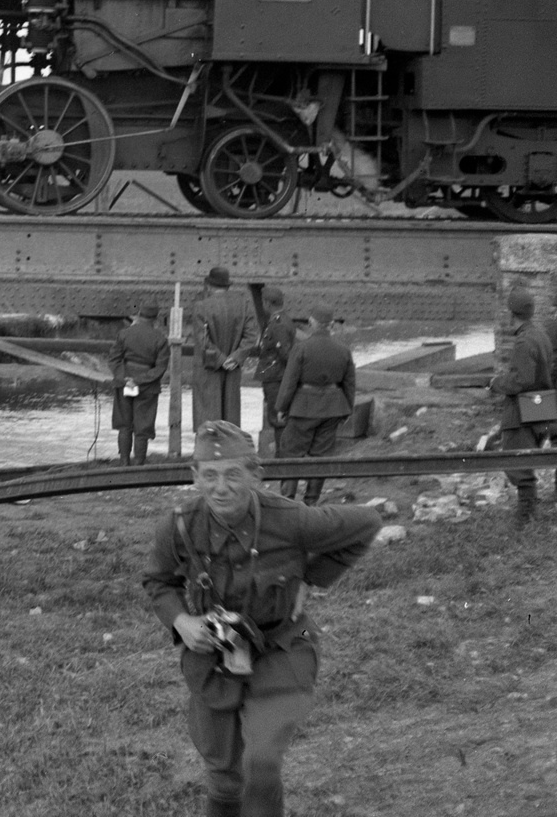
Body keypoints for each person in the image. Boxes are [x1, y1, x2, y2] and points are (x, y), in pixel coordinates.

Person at [142, 421, 381, 817]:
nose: (222, 488)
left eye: (234, 474)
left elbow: (367, 523)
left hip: (287, 643)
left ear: (255, 474)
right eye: (210, 476)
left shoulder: (290, 520)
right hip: (215, 658)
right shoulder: (179, 525)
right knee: (223, 774)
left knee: (263, 761)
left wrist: (313, 577)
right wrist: (181, 621)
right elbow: (157, 580)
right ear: (195, 476)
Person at [275, 305, 357, 505]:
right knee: (321, 456)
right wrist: (347, 409)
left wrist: (281, 408)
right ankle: (311, 501)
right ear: (331, 325)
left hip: (303, 407)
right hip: (332, 408)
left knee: (291, 454)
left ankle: (287, 501)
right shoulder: (343, 350)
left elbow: (290, 382)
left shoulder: (301, 348)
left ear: (311, 323)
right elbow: (349, 383)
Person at [490, 287, 555, 528]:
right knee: (527, 457)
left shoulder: (524, 341)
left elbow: (519, 381)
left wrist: (495, 383)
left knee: (516, 459)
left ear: (510, 315)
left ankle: (525, 517)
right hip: (540, 407)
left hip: (522, 409)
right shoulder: (541, 336)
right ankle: (529, 511)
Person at [193, 268, 258, 429]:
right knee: (231, 417)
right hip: (233, 369)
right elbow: (251, 336)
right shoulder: (244, 305)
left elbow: (202, 340)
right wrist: (235, 358)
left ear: (208, 285)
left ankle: (209, 451)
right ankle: (229, 450)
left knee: (208, 417)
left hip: (209, 369)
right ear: (228, 285)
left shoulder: (201, 306)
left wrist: (221, 360)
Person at [109, 301, 168, 466]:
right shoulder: (161, 339)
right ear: (156, 319)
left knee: (124, 424)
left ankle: (124, 462)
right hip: (148, 387)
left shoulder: (124, 334)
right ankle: (139, 463)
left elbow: (113, 359)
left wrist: (124, 377)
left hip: (124, 384)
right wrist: (139, 380)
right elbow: (160, 368)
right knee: (143, 426)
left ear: (138, 315)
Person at [255, 288, 298, 457]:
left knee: (278, 418)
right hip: (277, 375)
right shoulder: (282, 319)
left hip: (276, 377)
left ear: (267, 303)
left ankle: (282, 457)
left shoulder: (278, 323)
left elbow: (285, 353)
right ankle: (283, 455)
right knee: (278, 418)